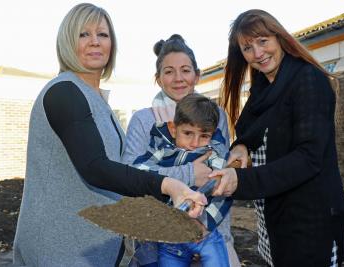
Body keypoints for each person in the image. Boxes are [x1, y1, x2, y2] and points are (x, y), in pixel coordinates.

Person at [11, 4, 206, 267]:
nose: (94, 42)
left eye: (102, 34)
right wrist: (169, 185)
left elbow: (124, 171)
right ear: (67, 40)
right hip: (60, 249)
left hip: (92, 244)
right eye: (83, 34)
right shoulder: (64, 93)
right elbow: (96, 168)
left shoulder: (96, 99)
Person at [210, 9, 344, 267]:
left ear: (279, 37)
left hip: (309, 220)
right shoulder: (263, 86)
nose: (258, 54)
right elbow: (249, 128)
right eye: (247, 48)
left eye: (263, 41)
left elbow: (309, 158)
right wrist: (241, 146)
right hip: (274, 216)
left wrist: (240, 180)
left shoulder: (308, 80)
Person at [121, 34, 240, 266]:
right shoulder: (145, 120)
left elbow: (220, 178)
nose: (178, 79)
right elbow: (129, 174)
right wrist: (187, 173)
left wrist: (207, 229)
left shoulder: (215, 115)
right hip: (157, 240)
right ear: (158, 79)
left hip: (210, 233)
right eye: (169, 71)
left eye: (185, 70)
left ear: (197, 75)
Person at [132, 93, 231, 267]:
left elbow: (219, 190)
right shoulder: (162, 149)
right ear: (172, 128)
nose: (195, 143)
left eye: (204, 135)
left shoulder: (215, 153)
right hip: (169, 235)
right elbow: (138, 172)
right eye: (187, 133)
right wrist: (184, 173)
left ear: (213, 133)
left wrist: (204, 224)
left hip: (203, 232)